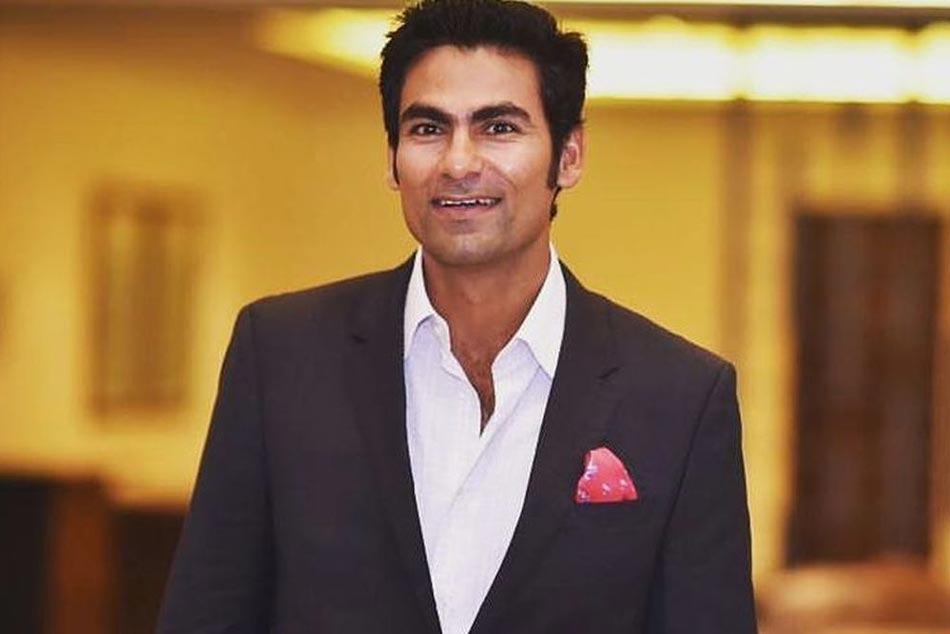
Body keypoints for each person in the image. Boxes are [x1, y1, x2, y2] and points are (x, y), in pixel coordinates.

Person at [157, 0, 757, 632]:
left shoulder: (680, 398)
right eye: (427, 128)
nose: (459, 162)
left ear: (569, 155)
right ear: (392, 157)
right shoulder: (281, 357)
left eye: (498, 127)